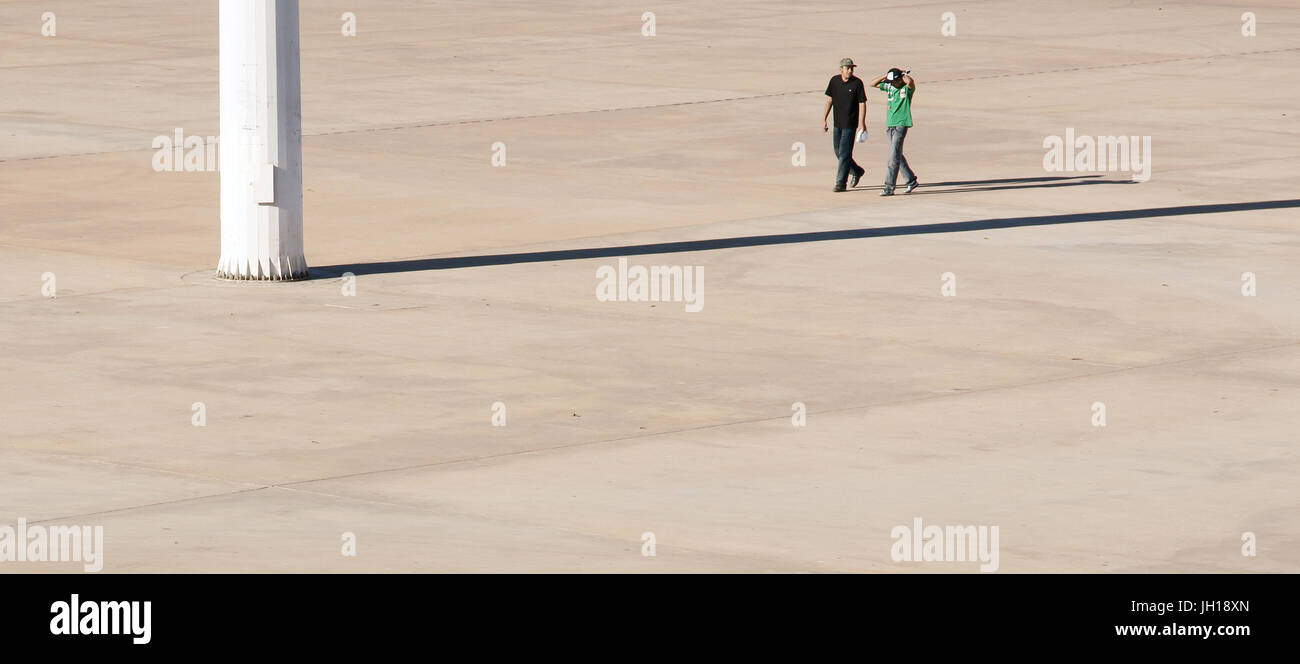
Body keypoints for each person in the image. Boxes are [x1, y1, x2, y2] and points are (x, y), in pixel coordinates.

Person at [867, 67, 918, 195]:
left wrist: (903, 75)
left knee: (892, 157)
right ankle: (911, 180)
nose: (891, 84)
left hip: (901, 124)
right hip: (890, 124)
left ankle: (889, 186)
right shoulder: (890, 87)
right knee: (896, 154)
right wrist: (886, 76)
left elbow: (911, 83)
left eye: (894, 81)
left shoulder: (906, 89)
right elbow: (872, 84)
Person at [821, 58, 867, 192]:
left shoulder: (857, 83)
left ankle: (841, 183)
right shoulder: (834, 81)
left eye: (852, 68)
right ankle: (857, 170)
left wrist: (862, 123)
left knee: (844, 154)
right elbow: (829, 101)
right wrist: (824, 119)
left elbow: (862, 103)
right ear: (841, 69)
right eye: (847, 68)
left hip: (850, 125)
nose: (850, 71)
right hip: (837, 124)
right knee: (838, 152)